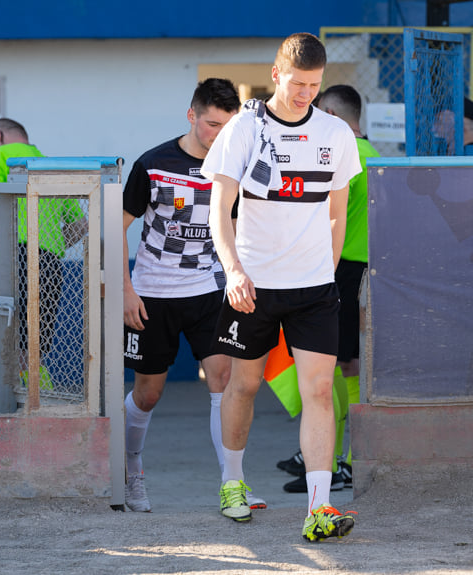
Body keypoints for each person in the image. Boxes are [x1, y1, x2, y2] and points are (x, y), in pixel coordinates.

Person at [202, 32, 361, 541]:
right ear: (276, 75)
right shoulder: (243, 129)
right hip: (253, 285)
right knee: (242, 384)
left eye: (314, 85)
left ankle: (320, 506)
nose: (305, 94)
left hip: (315, 287)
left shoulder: (335, 134)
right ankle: (232, 482)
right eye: (297, 84)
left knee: (318, 389)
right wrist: (233, 271)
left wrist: (328, 270)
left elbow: (337, 215)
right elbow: (218, 209)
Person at [121, 78, 266, 512]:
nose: (218, 134)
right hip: (151, 294)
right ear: (191, 115)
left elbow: (238, 228)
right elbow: (116, 224)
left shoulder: (233, 165)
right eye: (210, 124)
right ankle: (130, 471)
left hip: (208, 291)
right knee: (148, 394)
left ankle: (233, 485)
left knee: (223, 379)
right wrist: (126, 290)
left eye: (226, 126)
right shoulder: (153, 163)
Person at [277, 85, 381, 494]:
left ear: (333, 114)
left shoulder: (346, 154)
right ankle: (335, 458)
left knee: (336, 367)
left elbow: (320, 215)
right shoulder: (374, 155)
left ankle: (341, 462)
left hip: (340, 269)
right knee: (343, 365)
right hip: (365, 268)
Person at [0, 118, 86, 388]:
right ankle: (37, 399)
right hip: (50, 261)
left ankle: (5, 395)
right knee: (33, 342)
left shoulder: (0, 155)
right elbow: (81, 223)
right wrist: (55, 241)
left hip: (11, 256)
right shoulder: (48, 165)